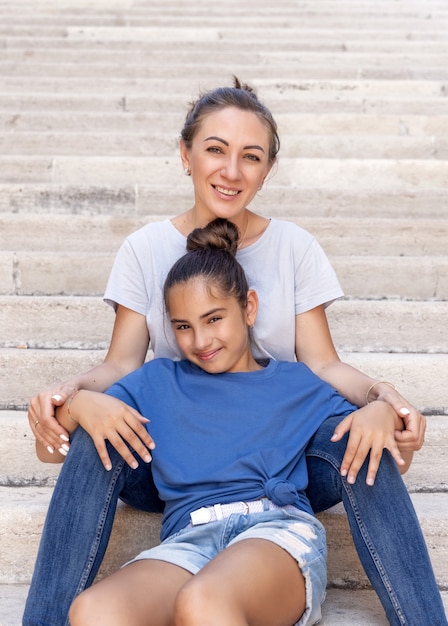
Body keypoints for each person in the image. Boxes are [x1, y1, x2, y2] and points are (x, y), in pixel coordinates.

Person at [24, 78, 446, 626]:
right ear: (186, 153)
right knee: (97, 437)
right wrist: (72, 398)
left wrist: (380, 398)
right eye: (215, 149)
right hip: (180, 457)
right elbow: (122, 365)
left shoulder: (293, 248)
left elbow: (321, 364)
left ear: (267, 169)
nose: (231, 170)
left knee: (357, 441)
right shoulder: (147, 249)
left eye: (251, 157)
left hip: (282, 458)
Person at [40, 218, 410, 626]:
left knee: (203, 601)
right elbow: (49, 450)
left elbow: (386, 463)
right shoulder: (155, 382)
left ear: (248, 308)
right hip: (187, 540)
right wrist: (76, 404)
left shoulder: (296, 382)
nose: (200, 341)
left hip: (274, 532)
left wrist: (380, 409)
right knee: (93, 611)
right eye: (183, 326)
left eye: (214, 318)